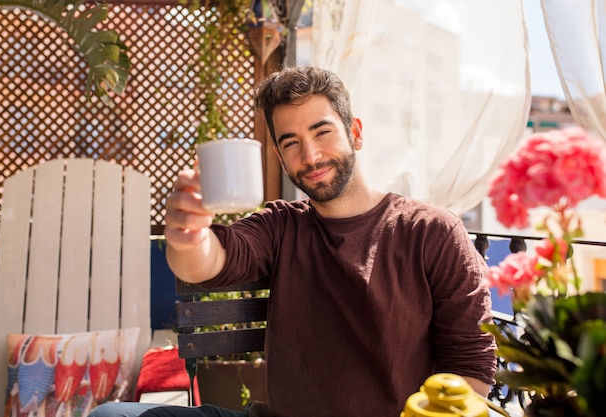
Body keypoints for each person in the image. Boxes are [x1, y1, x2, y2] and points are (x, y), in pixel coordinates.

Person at [90, 66, 497, 417]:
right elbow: (212, 261)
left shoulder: (430, 231)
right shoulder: (281, 226)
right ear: (281, 159)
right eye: (291, 143)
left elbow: (472, 364)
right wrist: (188, 234)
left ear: (354, 133)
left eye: (322, 132)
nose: (311, 155)